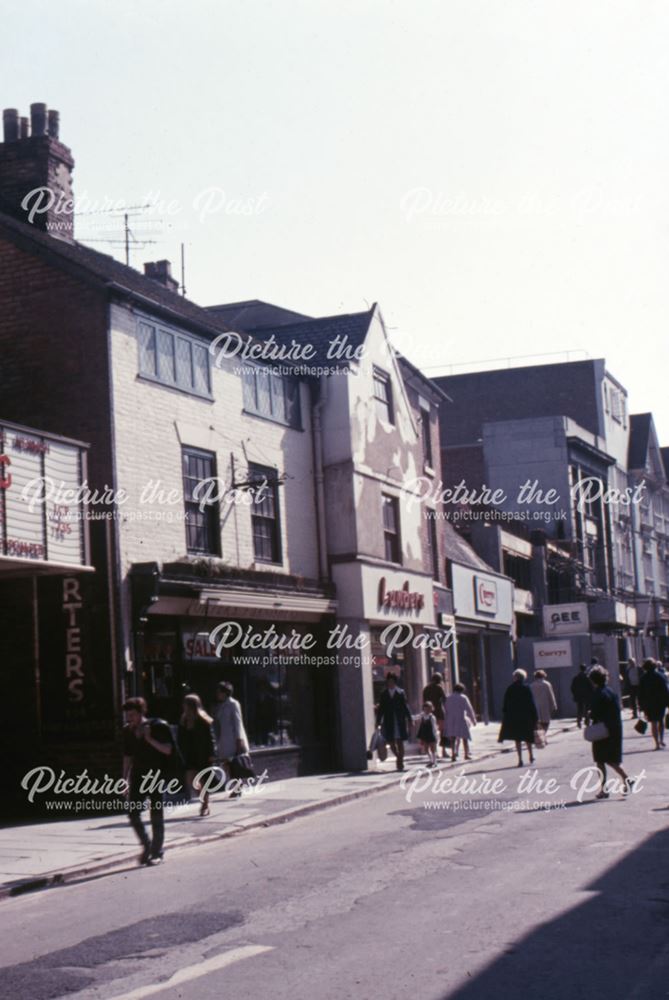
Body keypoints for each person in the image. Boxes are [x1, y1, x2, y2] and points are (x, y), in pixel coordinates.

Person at [122, 696, 174, 866]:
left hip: (157, 775)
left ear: (141, 713)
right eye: (127, 716)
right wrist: (124, 779)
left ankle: (157, 852)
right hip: (138, 776)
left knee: (156, 814)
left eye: (132, 715)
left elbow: (168, 750)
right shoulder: (128, 731)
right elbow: (128, 756)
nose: (130, 719)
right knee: (133, 813)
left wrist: (149, 739)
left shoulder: (158, 727)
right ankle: (147, 845)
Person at [588, 665, 633, 799]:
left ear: (593, 680)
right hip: (615, 728)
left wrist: (590, 714)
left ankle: (605, 788)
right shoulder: (611, 691)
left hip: (602, 730)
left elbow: (595, 712)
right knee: (611, 759)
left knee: (600, 760)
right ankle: (626, 779)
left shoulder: (597, 694)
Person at [178, 693, 217, 816]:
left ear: (192, 705)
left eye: (186, 704)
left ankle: (204, 803)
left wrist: (212, 753)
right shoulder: (183, 720)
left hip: (203, 754)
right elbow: (181, 739)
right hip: (189, 754)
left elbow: (211, 738)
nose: (183, 706)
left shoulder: (203, 719)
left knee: (203, 779)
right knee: (191, 780)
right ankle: (204, 799)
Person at [213, 681, 250, 795]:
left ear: (225, 693)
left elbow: (237, 722)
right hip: (223, 740)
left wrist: (239, 740)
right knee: (226, 764)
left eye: (219, 692)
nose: (217, 694)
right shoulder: (221, 705)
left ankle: (237, 787)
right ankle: (236, 786)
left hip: (232, 739)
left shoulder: (233, 704)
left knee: (233, 764)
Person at [499, 669, 538, 767]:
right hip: (526, 717)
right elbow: (531, 703)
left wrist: (506, 715)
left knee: (518, 739)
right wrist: (535, 716)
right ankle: (531, 755)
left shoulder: (510, 688)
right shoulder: (526, 688)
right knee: (528, 737)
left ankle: (520, 759)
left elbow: (505, 704)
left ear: (515, 677)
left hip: (514, 717)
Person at [376, 672, 413, 772]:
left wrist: (410, 718)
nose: (390, 683)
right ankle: (398, 757)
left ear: (395, 682)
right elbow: (381, 709)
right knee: (391, 741)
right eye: (389, 681)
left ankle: (400, 762)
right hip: (389, 720)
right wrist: (378, 721)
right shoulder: (384, 694)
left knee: (400, 742)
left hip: (399, 720)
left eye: (392, 681)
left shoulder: (400, 692)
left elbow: (405, 706)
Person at [639, 658, 669, 750]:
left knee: (653, 723)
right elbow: (665, 690)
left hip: (649, 704)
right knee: (660, 721)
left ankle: (656, 743)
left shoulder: (643, 678)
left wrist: (641, 706)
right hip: (660, 703)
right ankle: (661, 739)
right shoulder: (660, 676)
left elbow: (640, 693)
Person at [444, 683, 476, 762]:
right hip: (461, 718)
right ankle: (466, 754)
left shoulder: (448, 698)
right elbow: (469, 709)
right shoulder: (463, 698)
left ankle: (453, 755)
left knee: (453, 738)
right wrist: (473, 719)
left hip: (451, 719)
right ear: (461, 690)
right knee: (464, 737)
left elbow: (445, 709)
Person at [423, 672, 447, 758]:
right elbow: (444, 699)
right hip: (439, 712)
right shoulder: (439, 687)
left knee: (432, 732)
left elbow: (424, 701)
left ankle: (434, 751)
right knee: (442, 731)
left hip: (429, 712)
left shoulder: (426, 688)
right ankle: (443, 751)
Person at [530, 670, 558, 743]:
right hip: (545, 705)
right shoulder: (547, 684)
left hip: (535, 706)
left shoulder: (532, 685)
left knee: (539, 723)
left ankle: (541, 737)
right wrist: (554, 705)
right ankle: (543, 736)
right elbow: (551, 695)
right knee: (546, 722)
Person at [416, 701, 439, 767]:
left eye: (428, 709)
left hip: (431, 735)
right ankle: (431, 760)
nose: (426, 710)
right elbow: (416, 717)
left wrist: (436, 736)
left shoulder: (432, 717)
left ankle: (435, 762)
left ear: (431, 709)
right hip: (425, 735)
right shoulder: (422, 715)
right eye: (425, 709)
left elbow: (434, 728)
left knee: (433, 749)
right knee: (426, 749)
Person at [570, 664, 592, 728]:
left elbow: (572, 687)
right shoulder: (588, 677)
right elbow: (591, 687)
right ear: (585, 669)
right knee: (587, 709)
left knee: (580, 709)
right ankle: (587, 721)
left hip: (579, 696)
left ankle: (579, 721)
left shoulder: (576, 678)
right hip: (586, 696)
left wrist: (575, 694)